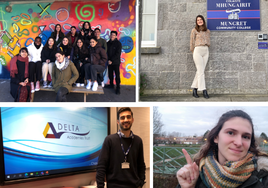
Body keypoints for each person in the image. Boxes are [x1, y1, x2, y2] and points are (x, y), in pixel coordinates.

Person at [176, 110, 268, 188]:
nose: (239, 143)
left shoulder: (264, 178)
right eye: (231, 133)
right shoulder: (196, 175)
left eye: (246, 137)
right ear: (216, 137)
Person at [96, 107, 146, 188]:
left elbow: (141, 165)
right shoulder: (109, 140)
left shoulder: (138, 141)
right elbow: (101, 166)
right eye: (122, 118)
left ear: (132, 120)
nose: (126, 120)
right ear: (118, 121)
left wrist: (141, 182)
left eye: (128, 117)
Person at [190, 15, 210, 99]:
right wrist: (193, 51)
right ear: (196, 22)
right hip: (197, 50)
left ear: (203, 21)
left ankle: (194, 89)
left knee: (200, 71)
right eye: (198, 20)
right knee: (201, 72)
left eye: (201, 19)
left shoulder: (207, 31)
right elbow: (191, 42)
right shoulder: (194, 30)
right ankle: (204, 90)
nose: (199, 21)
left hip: (206, 50)